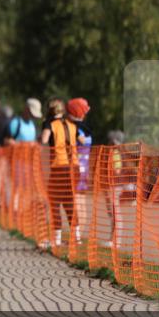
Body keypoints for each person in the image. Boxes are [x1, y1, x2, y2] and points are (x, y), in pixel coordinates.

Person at [39, 98, 78, 250]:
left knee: (54, 203)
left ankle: (57, 238)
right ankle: (77, 236)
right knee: (70, 202)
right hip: (73, 166)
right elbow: (80, 139)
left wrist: (39, 140)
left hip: (59, 166)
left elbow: (44, 139)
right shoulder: (71, 124)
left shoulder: (49, 124)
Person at [68, 97, 93, 244]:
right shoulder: (86, 127)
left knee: (76, 200)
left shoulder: (73, 128)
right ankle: (79, 234)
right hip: (85, 167)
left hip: (75, 167)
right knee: (81, 199)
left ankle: (76, 236)